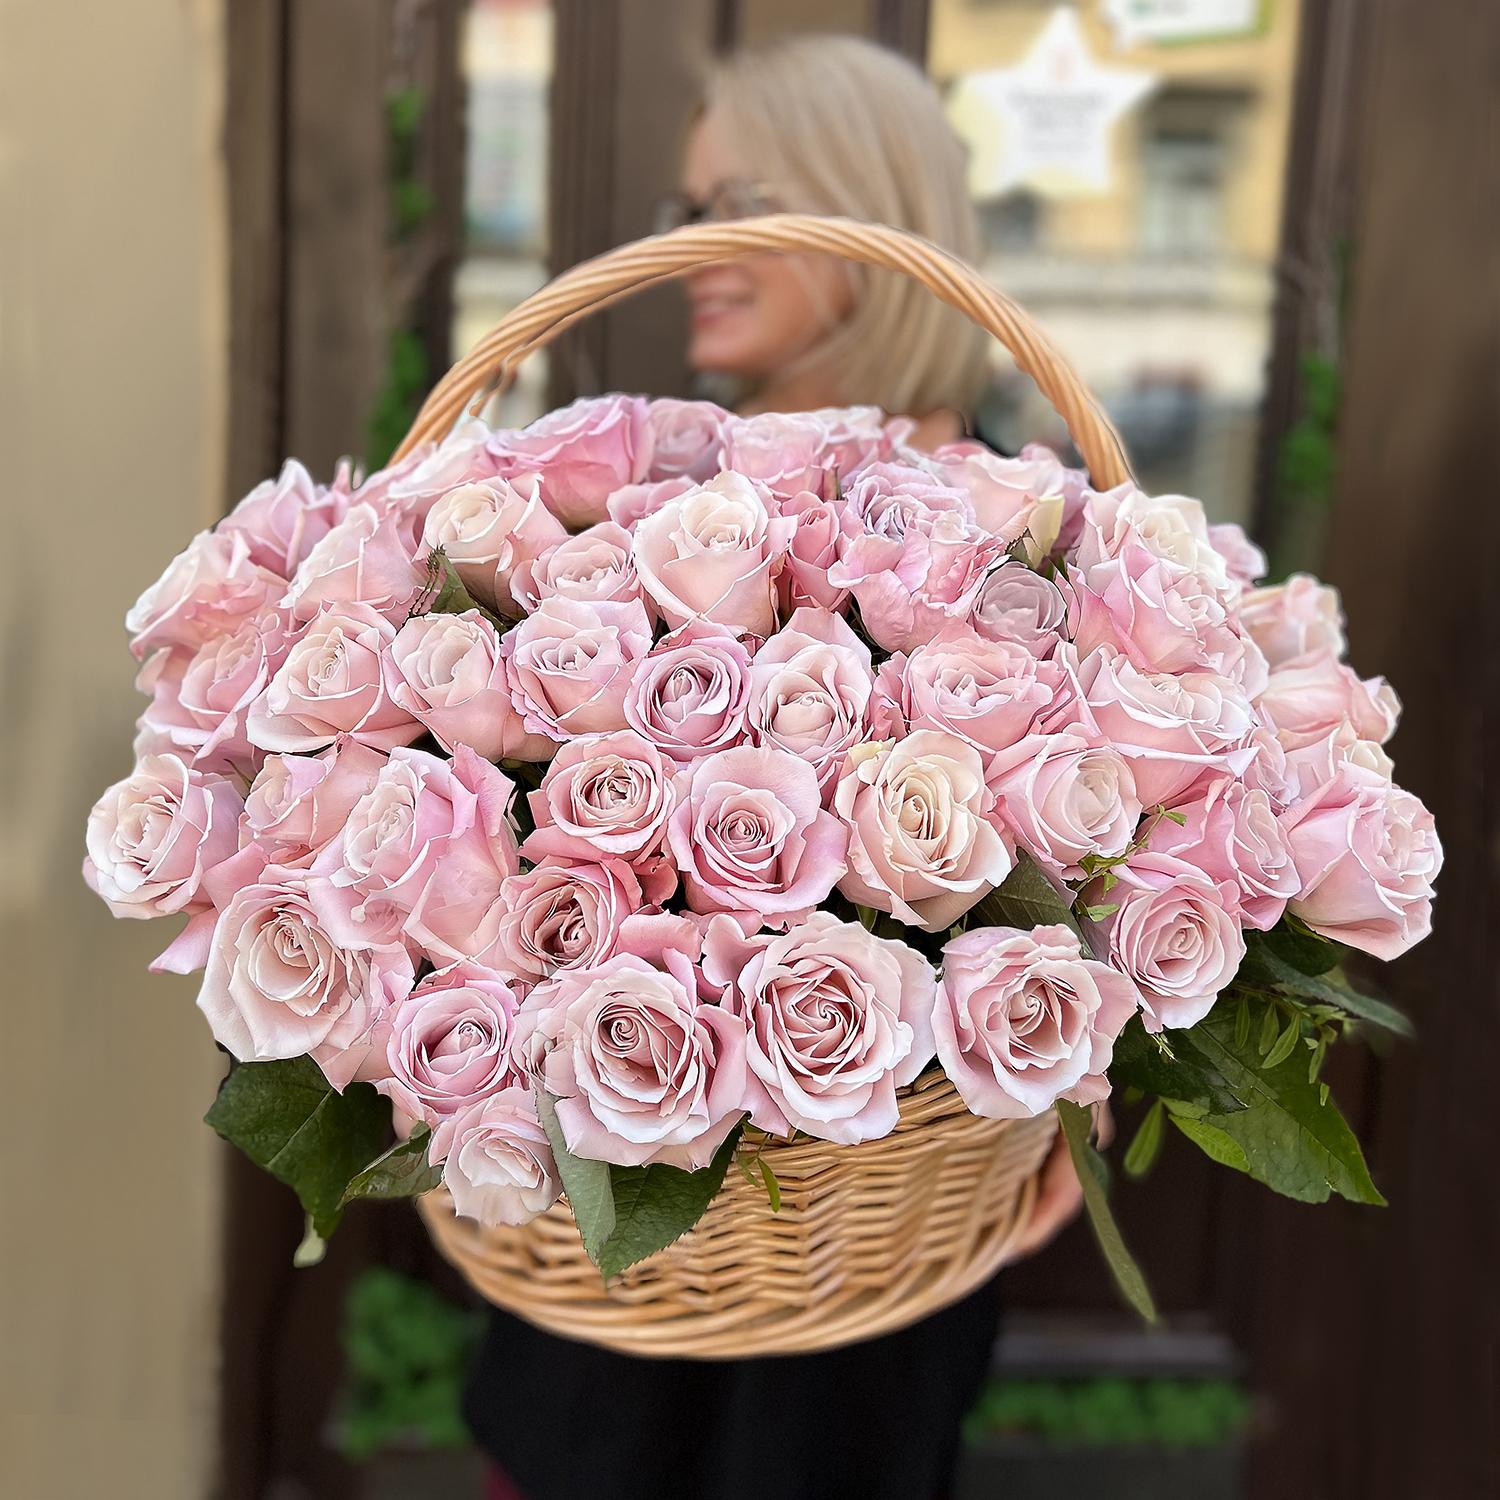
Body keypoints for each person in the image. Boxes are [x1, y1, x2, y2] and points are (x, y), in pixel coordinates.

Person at [464, 35, 1086, 1500]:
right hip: (623, 1252)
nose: (700, 247)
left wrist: (1084, 1074)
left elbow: (1097, 864)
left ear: (862, 210)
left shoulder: (1019, 545)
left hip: (863, 1251)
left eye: (740, 203)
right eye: (691, 209)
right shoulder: (652, 517)